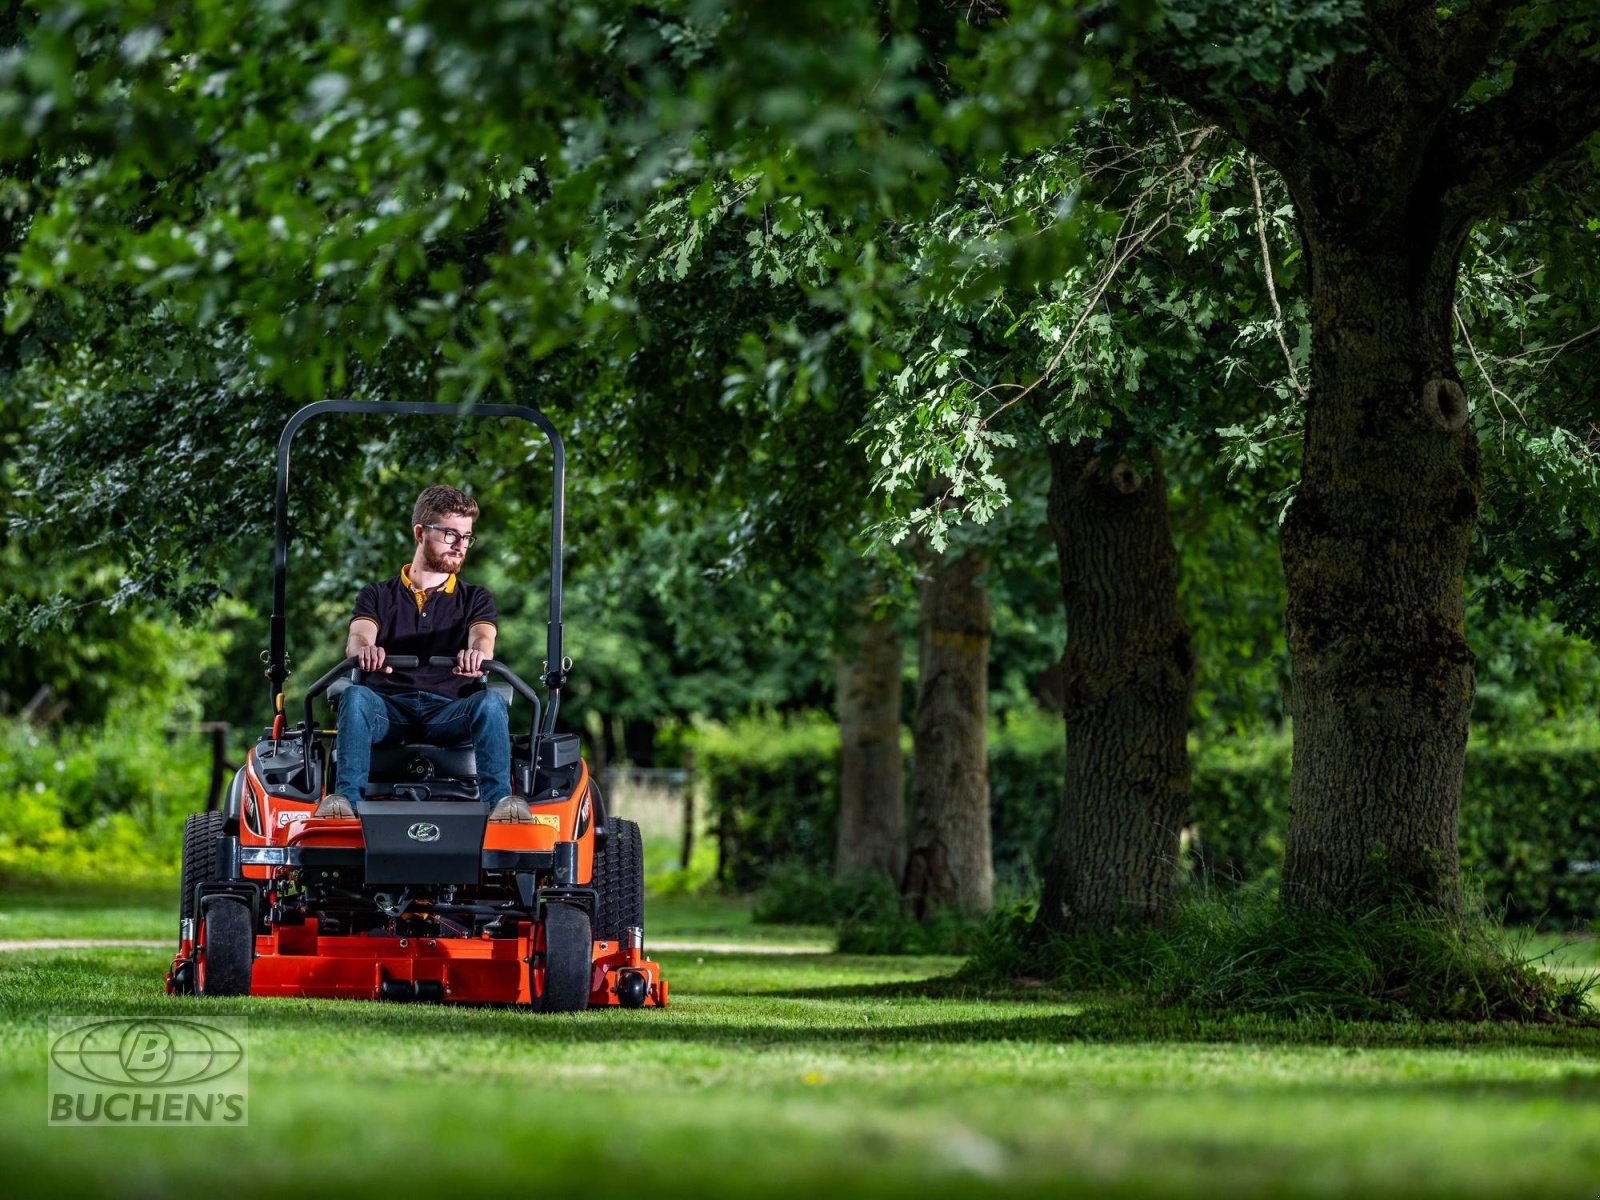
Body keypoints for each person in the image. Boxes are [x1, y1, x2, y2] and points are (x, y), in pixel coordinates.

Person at [313, 484, 530, 822]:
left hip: (449, 713)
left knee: (491, 702)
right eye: (450, 535)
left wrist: (476, 654)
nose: (460, 545)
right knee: (354, 695)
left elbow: (483, 637)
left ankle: (501, 805)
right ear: (420, 533)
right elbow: (359, 636)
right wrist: (366, 651)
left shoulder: (475, 598)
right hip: (388, 711)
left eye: (466, 537)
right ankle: (344, 804)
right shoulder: (377, 595)